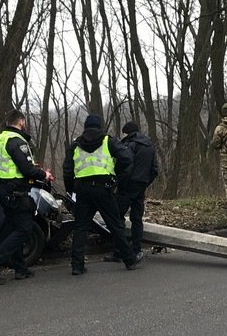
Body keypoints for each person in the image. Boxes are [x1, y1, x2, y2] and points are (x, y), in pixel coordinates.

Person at [63, 113, 143, 275]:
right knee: (115, 225)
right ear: (100, 126)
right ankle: (129, 259)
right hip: (103, 188)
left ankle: (77, 266)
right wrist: (115, 178)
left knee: (80, 227)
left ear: (85, 127)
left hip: (83, 190)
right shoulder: (108, 141)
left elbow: (67, 170)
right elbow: (127, 159)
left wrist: (71, 189)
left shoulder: (76, 144)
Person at [0, 109, 51, 285]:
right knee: (25, 229)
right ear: (21, 122)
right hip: (15, 191)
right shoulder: (16, 140)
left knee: (14, 228)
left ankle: (20, 268)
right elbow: (26, 170)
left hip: (3, 189)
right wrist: (44, 174)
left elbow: (12, 163)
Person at [104, 121, 160, 261]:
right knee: (137, 219)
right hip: (141, 186)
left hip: (127, 186)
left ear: (127, 133)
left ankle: (119, 252)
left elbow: (125, 164)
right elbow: (155, 169)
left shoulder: (130, 145)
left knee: (117, 217)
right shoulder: (149, 146)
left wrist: (118, 182)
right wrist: (145, 182)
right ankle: (136, 250)